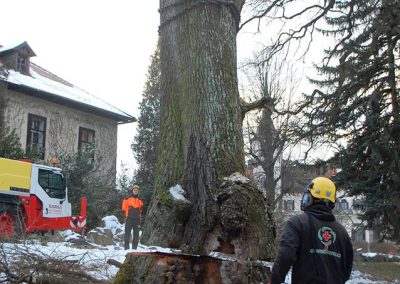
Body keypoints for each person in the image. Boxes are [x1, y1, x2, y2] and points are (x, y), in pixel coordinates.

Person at [271, 177, 353, 284]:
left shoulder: (297, 223)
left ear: (310, 198)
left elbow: (285, 256)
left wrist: (274, 280)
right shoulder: (342, 232)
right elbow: (346, 269)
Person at [121, 184, 143, 250]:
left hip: (137, 219)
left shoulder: (140, 200)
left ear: (138, 191)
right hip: (129, 219)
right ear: (132, 190)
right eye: (134, 190)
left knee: (136, 235)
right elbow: (123, 209)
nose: (136, 191)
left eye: (137, 190)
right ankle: (126, 248)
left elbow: (141, 210)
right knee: (127, 233)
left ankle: (134, 249)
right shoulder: (127, 199)